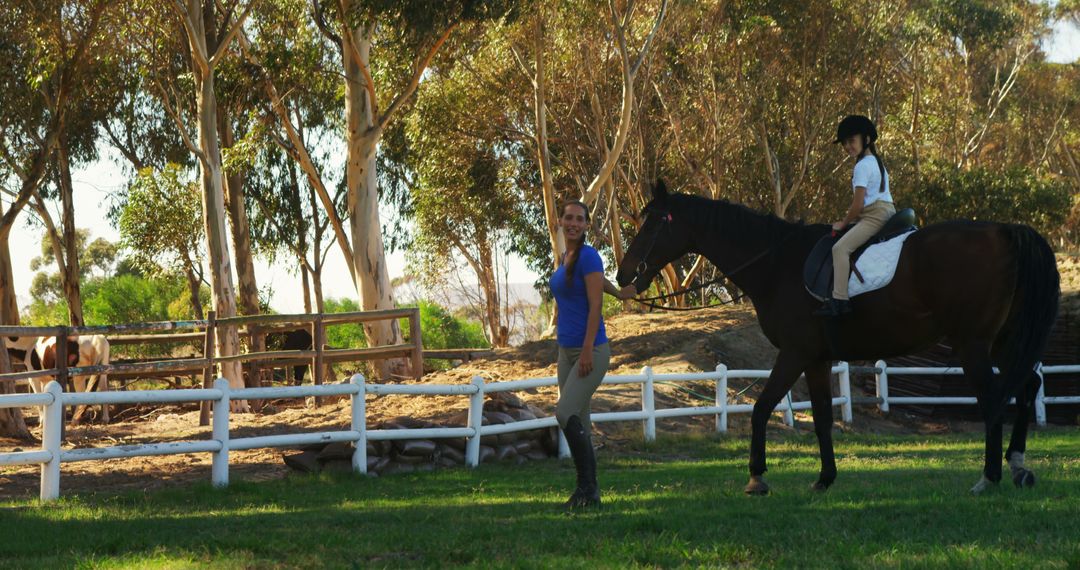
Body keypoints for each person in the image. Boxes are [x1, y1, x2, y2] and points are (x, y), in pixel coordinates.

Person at [551, 199, 635, 509]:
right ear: (561, 221)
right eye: (568, 218)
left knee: (564, 413)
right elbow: (597, 285)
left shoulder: (588, 256)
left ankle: (586, 488)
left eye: (579, 219)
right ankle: (589, 493)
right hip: (565, 351)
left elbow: (595, 305)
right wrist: (620, 291)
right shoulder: (566, 258)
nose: (573, 223)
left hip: (591, 350)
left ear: (586, 225)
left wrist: (587, 350)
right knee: (579, 420)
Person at [814, 114, 896, 317]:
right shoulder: (876, 162)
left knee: (840, 249)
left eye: (851, 141)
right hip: (886, 211)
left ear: (866, 139)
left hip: (874, 216)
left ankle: (839, 300)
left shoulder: (862, 166)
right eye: (844, 143)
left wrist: (843, 223)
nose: (847, 147)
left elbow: (858, 206)